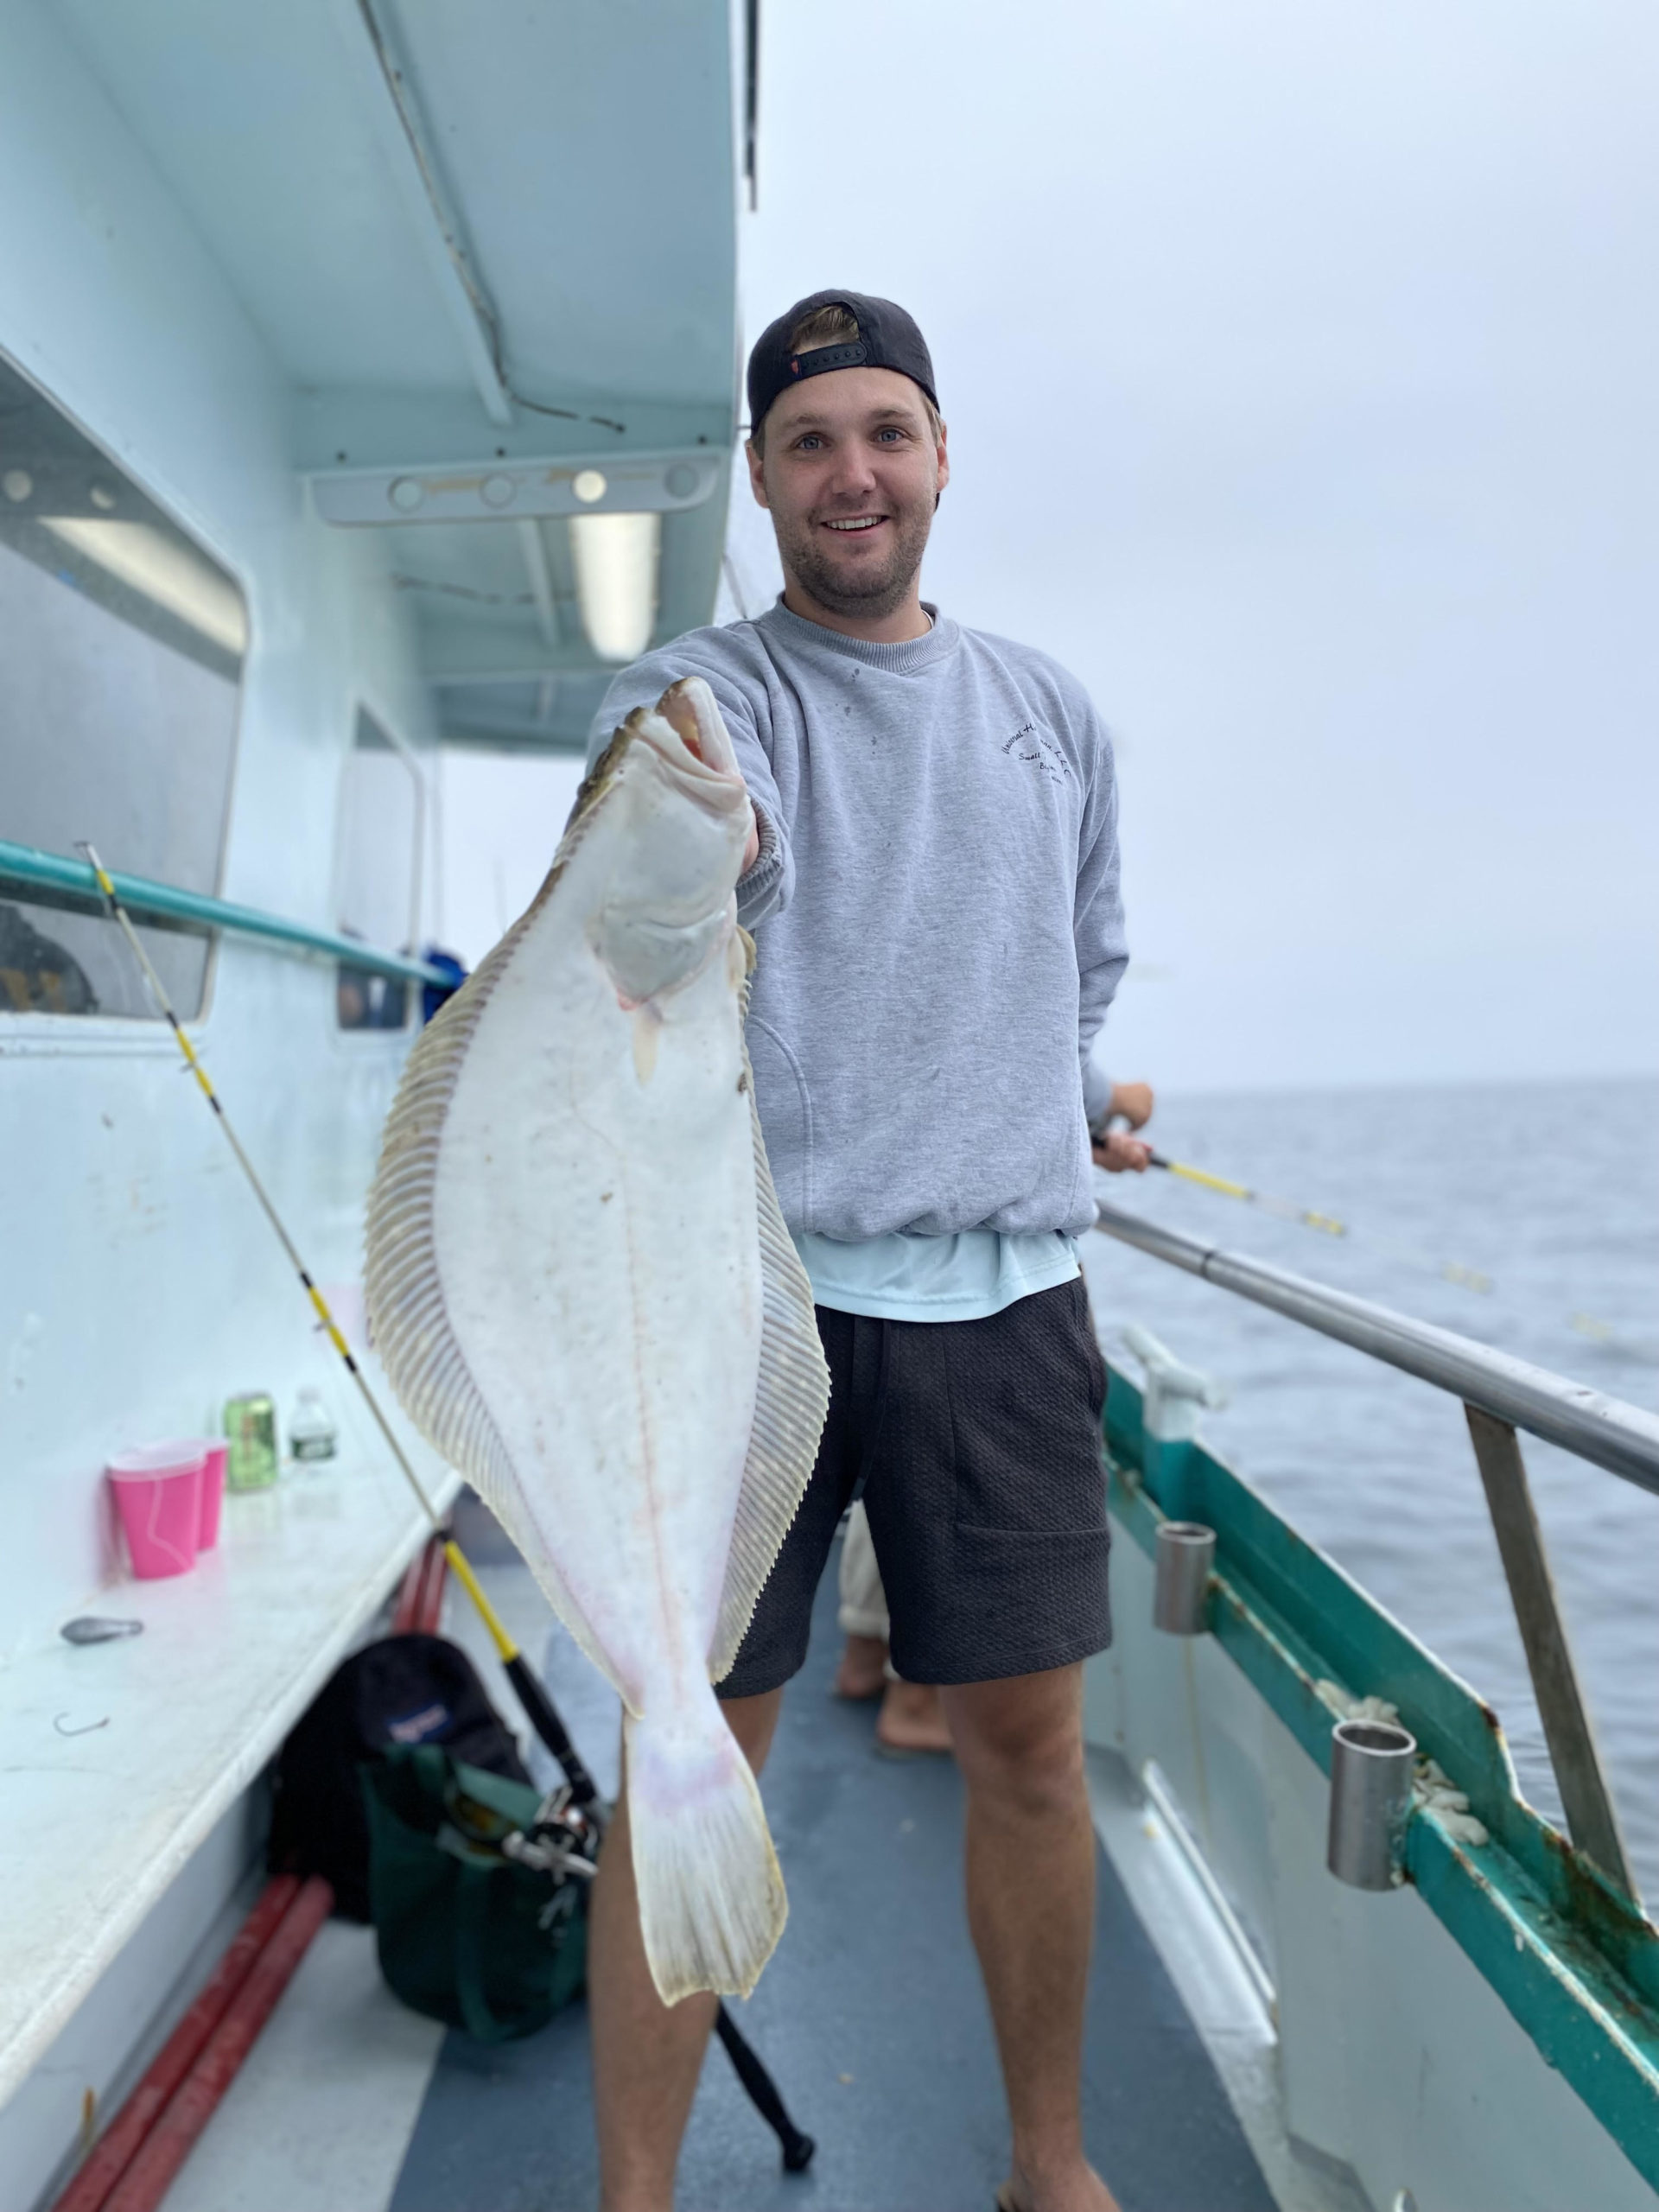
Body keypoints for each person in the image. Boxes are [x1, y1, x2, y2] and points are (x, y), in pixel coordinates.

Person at [585, 289, 1128, 2212]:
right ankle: (634, 2196)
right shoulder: (704, 694)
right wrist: (696, 836)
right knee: (692, 1758)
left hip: (1005, 1303)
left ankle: (1048, 2160)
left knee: (1030, 1753)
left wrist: (1075, 1100)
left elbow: (1075, 972)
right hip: (749, 1305)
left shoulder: (1052, 712)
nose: (853, 473)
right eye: (810, 441)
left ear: (943, 454)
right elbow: (651, 916)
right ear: (759, 475)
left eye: (887, 431)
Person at [835, 1077, 1159, 1758]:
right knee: (927, 1479)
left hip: (839, 1251)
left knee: (879, 1476)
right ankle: (914, 1699)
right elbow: (1032, 1061)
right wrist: (1113, 1102)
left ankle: (865, 1651)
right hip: (973, 1279)